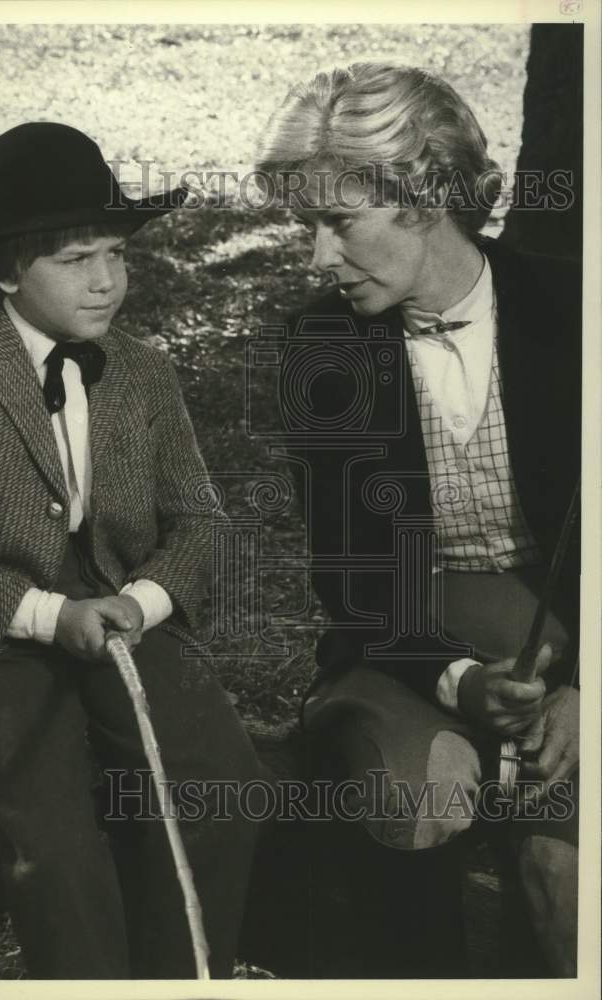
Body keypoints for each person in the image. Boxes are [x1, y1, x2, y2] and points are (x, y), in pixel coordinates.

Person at [0, 122, 261, 979]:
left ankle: (181, 975)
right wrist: (51, 617)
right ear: (9, 269)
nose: (105, 280)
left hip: (120, 614)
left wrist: (142, 602)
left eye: (115, 255)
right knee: (56, 845)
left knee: (221, 790)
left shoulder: (144, 373)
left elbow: (199, 521)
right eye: (76, 259)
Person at [255, 63, 580, 976]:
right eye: (303, 226)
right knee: (411, 800)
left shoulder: (574, 310)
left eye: (338, 223)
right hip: (410, 646)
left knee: (566, 876)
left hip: (574, 650)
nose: (317, 258)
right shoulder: (323, 347)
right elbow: (354, 582)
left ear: (426, 196)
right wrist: (462, 683)